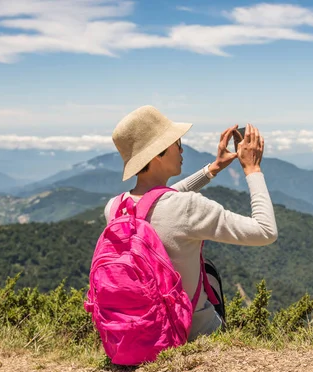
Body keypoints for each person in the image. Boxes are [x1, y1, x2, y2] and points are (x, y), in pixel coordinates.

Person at [104, 105, 278, 340]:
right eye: (177, 143)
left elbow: (156, 202)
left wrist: (212, 169)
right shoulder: (187, 207)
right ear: (158, 153)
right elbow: (265, 231)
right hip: (191, 331)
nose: (182, 150)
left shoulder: (115, 208)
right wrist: (253, 169)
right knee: (210, 273)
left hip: (134, 332)